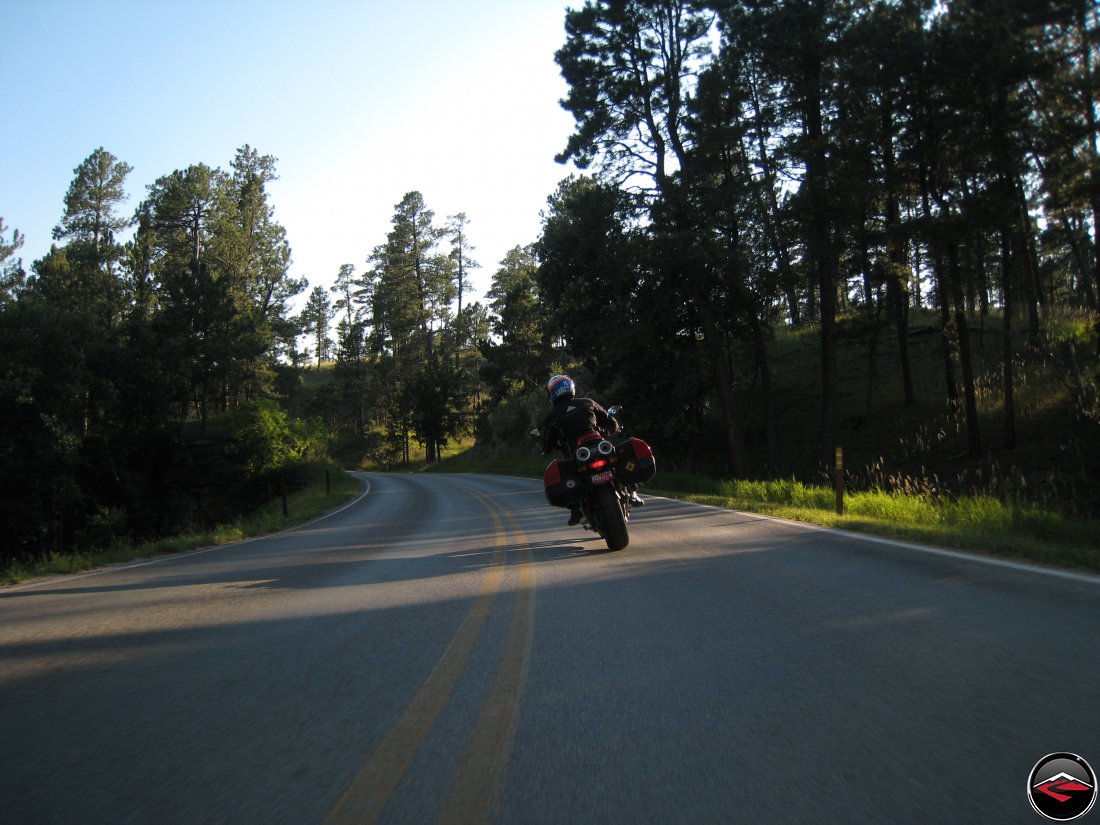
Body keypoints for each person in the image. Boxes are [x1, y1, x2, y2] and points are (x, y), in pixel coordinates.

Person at [540, 374, 643, 525]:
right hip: (599, 446)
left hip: (578, 457)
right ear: (571, 388)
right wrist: (611, 429)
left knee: (569, 477)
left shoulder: (551, 418)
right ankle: (632, 489)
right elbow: (611, 423)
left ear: (552, 393)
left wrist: (547, 448)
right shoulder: (587, 403)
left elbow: (547, 445)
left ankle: (575, 509)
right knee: (616, 458)